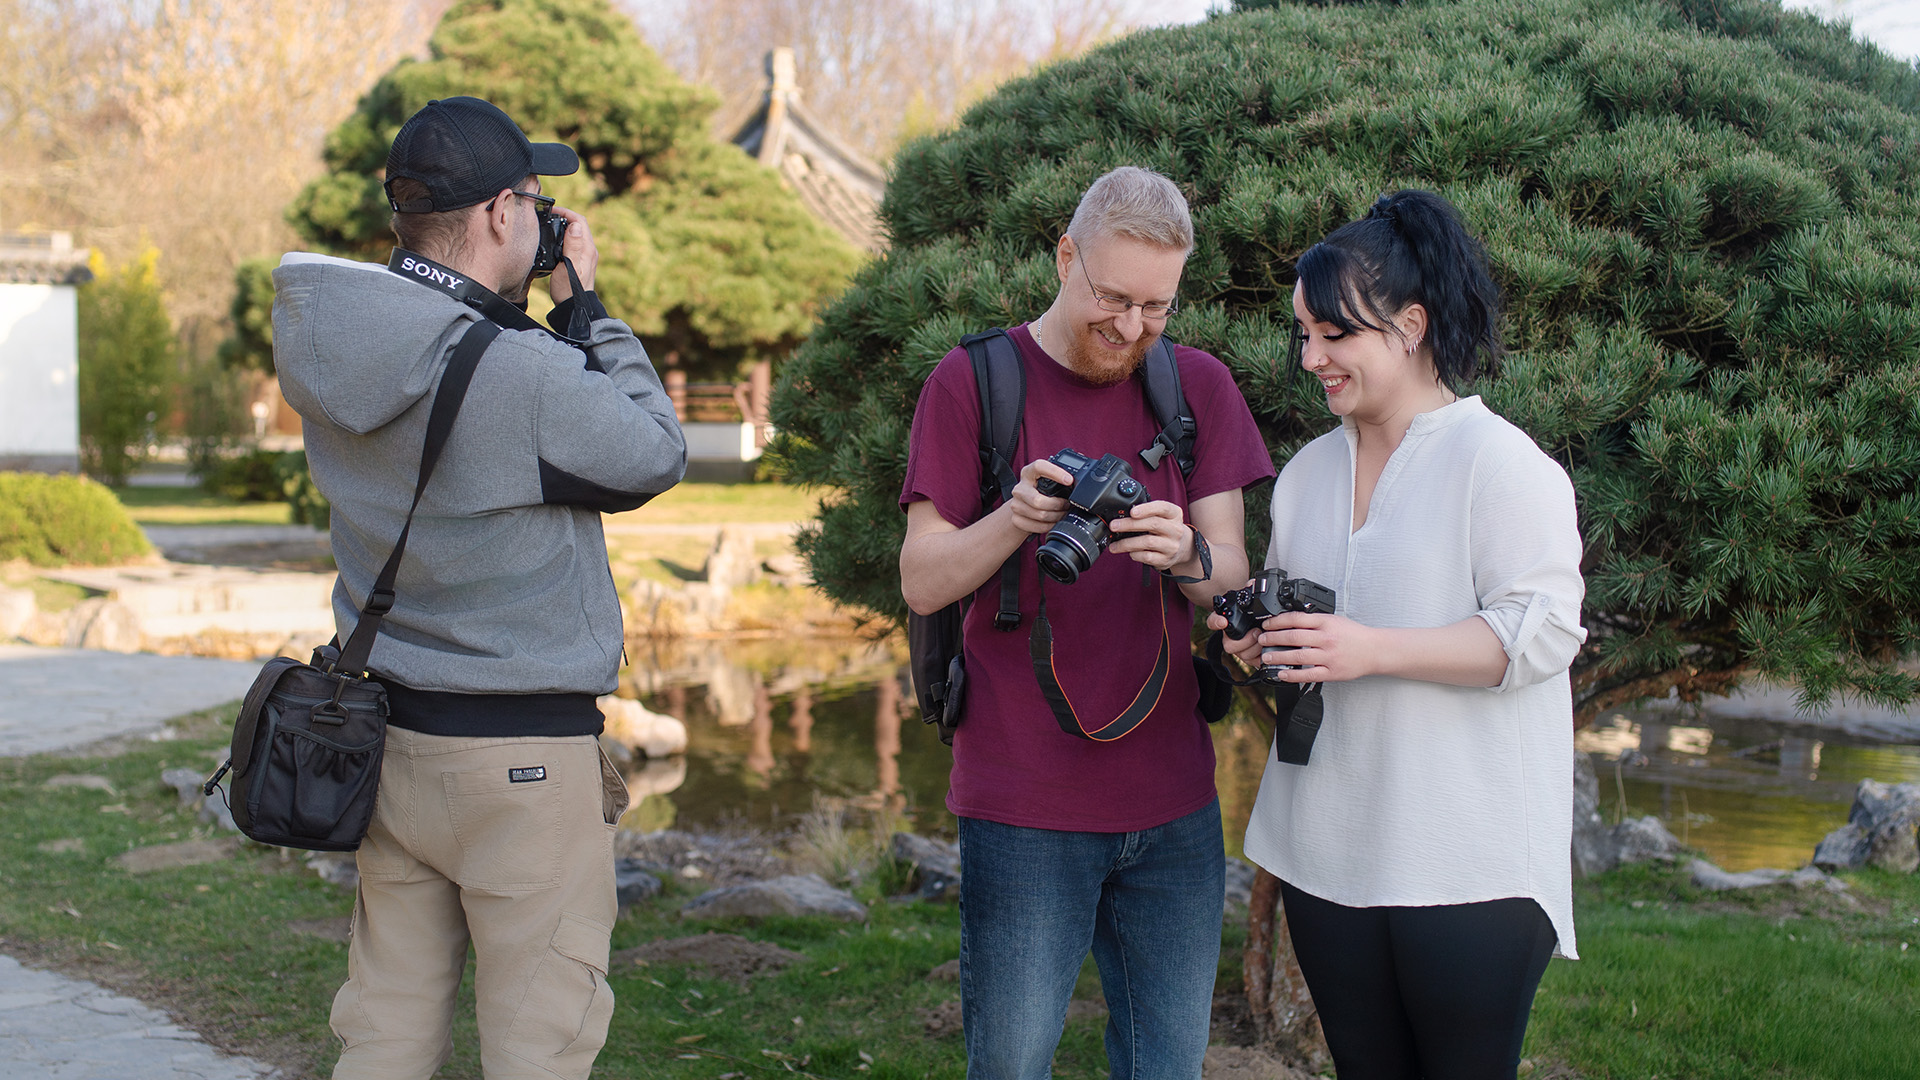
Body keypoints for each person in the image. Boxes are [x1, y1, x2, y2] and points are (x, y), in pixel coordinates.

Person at [271, 96, 686, 1079]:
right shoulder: (523, 370)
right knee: (541, 1043)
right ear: (503, 215)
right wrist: (585, 305)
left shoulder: (337, 344)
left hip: (389, 746)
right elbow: (653, 453)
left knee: (384, 1032)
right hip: (522, 766)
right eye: (539, 204)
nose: (546, 223)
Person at [899, 166, 1275, 1080]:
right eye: (1113, 297)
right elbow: (920, 579)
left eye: (1158, 306)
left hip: (1174, 799)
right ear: (1066, 257)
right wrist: (1017, 519)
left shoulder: (1197, 387)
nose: (1132, 327)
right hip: (1023, 800)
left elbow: (1230, 574)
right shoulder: (974, 382)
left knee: (1166, 1065)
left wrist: (1182, 550)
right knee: (1013, 1063)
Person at [1216, 189, 1586, 1079]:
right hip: (1327, 854)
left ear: (1410, 326)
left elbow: (1539, 635)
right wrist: (1261, 646)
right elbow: (1303, 634)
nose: (1311, 359)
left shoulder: (1502, 464)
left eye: (1333, 336)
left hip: (1469, 863)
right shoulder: (1306, 475)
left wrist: (1369, 647)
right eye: (1303, 335)